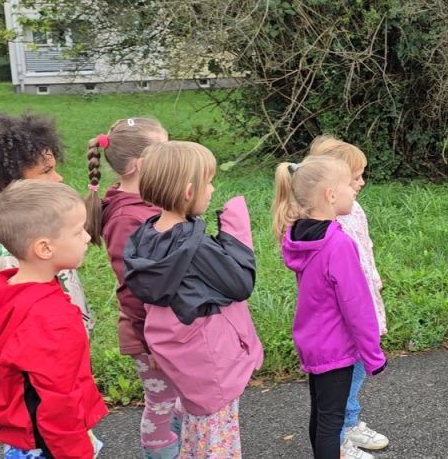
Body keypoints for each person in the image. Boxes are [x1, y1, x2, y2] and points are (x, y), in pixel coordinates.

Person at [0, 180, 107, 458]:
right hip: (52, 442)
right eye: (78, 231)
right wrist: (76, 452)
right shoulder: (52, 318)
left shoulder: (6, 288)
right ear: (45, 248)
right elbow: (59, 398)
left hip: (23, 434)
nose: (86, 237)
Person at [123, 141, 263, 458]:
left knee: (197, 433)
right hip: (214, 363)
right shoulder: (194, 246)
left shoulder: (144, 236)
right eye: (208, 182)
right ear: (188, 192)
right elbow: (241, 284)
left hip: (184, 360)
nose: (212, 189)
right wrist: (235, 228)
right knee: (218, 442)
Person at [273, 155, 387, 459]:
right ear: (330, 194)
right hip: (336, 348)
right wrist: (373, 355)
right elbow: (357, 307)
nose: (355, 190)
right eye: (349, 185)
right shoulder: (339, 244)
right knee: (331, 423)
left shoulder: (298, 235)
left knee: (321, 415)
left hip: (312, 341)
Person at [84, 118, 180, 459]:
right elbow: (135, 287)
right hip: (150, 334)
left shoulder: (148, 203)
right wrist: (153, 337)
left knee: (178, 400)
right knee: (161, 407)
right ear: (139, 165)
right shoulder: (128, 218)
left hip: (169, 328)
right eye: (165, 150)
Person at [0, 113, 95, 332]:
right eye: (46, 171)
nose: (59, 178)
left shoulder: (42, 226)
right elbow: (24, 324)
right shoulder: (13, 252)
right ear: (8, 182)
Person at [308, 136, 389, 459]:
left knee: (354, 371)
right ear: (331, 188)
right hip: (345, 314)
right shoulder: (328, 224)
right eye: (354, 178)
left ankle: (351, 422)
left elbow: (365, 250)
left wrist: (375, 282)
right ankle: (339, 440)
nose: (361, 183)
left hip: (364, 301)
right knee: (347, 375)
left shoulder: (351, 208)